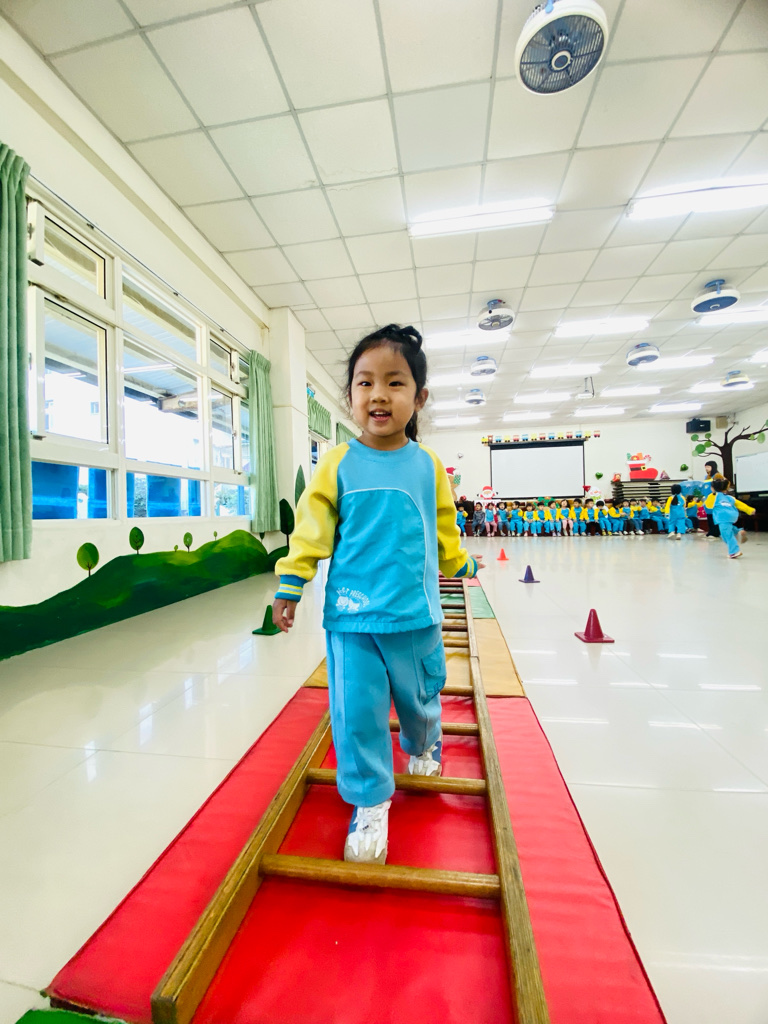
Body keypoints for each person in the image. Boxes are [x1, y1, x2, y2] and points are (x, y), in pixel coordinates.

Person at [271, 324, 484, 865]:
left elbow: (442, 525)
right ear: (350, 396)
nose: (379, 395)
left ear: (419, 398)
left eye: (395, 382)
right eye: (365, 383)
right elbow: (311, 528)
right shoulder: (336, 464)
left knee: (419, 698)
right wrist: (292, 582)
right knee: (357, 713)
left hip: (414, 614)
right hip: (352, 618)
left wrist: (459, 563)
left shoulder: (427, 465)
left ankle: (424, 741)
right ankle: (369, 800)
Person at [704, 478, 755, 558]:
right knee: (729, 528)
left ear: (712, 488)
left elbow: (708, 506)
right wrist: (749, 510)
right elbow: (740, 504)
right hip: (732, 515)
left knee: (726, 535)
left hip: (722, 517)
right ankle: (739, 531)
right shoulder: (730, 497)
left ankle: (734, 551)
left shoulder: (713, 496)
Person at [703, 460, 725, 540]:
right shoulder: (707, 477)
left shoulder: (718, 476)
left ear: (713, 467)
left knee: (715, 515)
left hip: (715, 498)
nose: (706, 469)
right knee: (709, 515)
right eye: (705, 467)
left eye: (708, 467)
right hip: (708, 498)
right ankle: (711, 531)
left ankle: (716, 532)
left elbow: (721, 486)